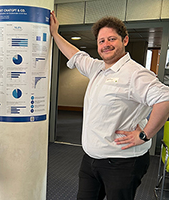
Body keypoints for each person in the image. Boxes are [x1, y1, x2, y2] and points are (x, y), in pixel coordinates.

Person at [50, 11, 169, 200]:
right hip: (91, 159)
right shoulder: (97, 68)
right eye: (101, 41)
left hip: (122, 163)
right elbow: (76, 55)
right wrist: (55, 34)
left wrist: (144, 135)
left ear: (125, 40)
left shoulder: (136, 74)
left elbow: (165, 99)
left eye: (111, 39)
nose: (106, 45)